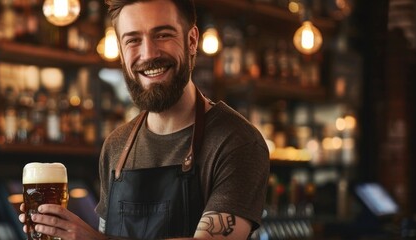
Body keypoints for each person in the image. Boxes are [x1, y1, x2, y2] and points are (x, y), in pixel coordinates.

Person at [19, 0, 269, 238]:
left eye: (162, 35)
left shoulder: (236, 141)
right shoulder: (116, 146)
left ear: (191, 40)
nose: (148, 54)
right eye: (133, 40)